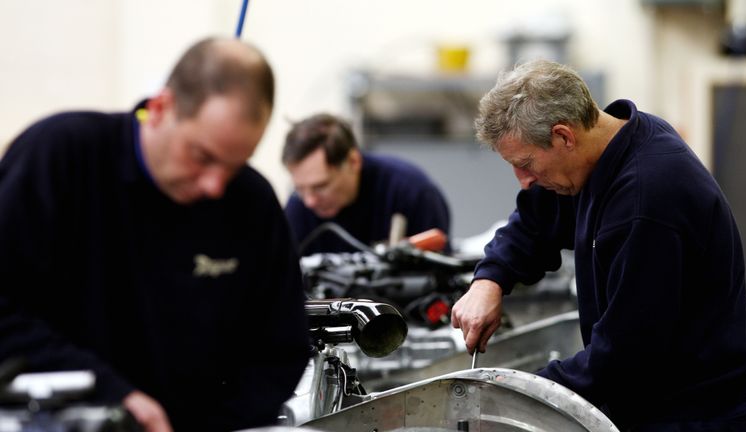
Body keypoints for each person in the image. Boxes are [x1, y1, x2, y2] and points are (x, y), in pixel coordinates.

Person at [0, 37, 310, 432]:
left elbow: (280, 347)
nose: (215, 186)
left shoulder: (251, 203)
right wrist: (108, 395)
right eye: (202, 157)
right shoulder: (60, 158)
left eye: (234, 166)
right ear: (161, 107)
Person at [450, 59, 746, 430]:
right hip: (648, 404)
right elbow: (536, 222)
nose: (524, 180)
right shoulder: (603, 150)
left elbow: (625, 358)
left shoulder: (646, 201)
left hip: (695, 417)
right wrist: (490, 280)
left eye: (527, 163)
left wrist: (509, 396)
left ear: (564, 136)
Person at [282, 113, 451, 255]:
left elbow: (441, 279)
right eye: (300, 189)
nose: (310, 201)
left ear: (353, 161)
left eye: (321, 186)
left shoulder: (412, 194)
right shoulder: (298, 207)